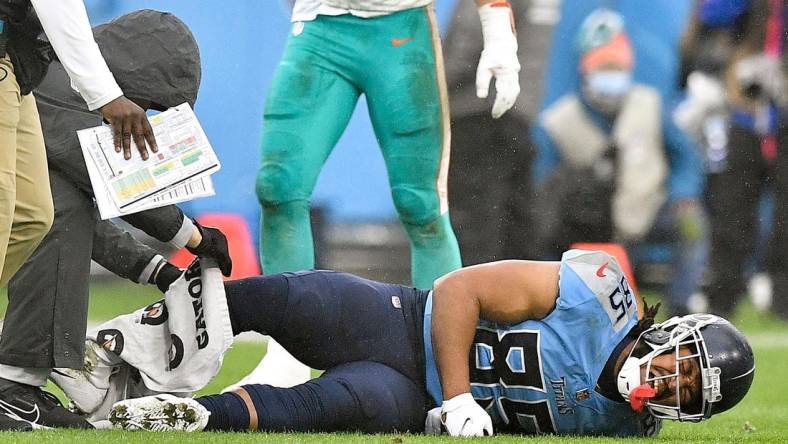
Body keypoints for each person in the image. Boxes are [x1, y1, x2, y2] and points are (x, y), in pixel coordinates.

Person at [108, 249, 755, 436]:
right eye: (683, 367)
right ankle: (127, 349)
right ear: (672, 336)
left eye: (689, 394)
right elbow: (457, 290)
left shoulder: (627, 429)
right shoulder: (597, 294)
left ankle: (186, 417)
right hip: (404, 321)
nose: (672, 384)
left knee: (330, 408)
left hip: (409, 401)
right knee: (292, 299)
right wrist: (460, 396)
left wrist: (444, 405)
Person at [247, 0, 521, 387]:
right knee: (277, 187)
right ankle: (286, 354)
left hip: (400, 30)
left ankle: (445, 368)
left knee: (421, 205)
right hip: (320, 27)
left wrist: (497, 31)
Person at [0, 10, 232, 430]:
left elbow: (73, 215)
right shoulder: (61, 87)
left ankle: (16, 387)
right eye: (148, 102)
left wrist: (156, 268)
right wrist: (191, 236)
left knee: (48, 211)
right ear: (137, 73)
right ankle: (12, 388)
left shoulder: (47, 76)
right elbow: (112, 183)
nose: (143, 114)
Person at [530, 8, 709, 315]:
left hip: (648, 210)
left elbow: (686, 157)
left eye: (618, 66)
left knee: (691, 223)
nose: (612, 74)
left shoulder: (650, 105)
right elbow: (541, 187)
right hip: (586, 226)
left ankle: (681, 308)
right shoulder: (558, 123)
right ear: (585, 70)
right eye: (604, 66)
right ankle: (554, 306)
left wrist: (683, 194)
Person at [678, 0, 787, 320]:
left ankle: (780, 293)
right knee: (731, 209)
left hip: (781, 116)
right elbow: (711, 18)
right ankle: (722, 292)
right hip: (741, 113)